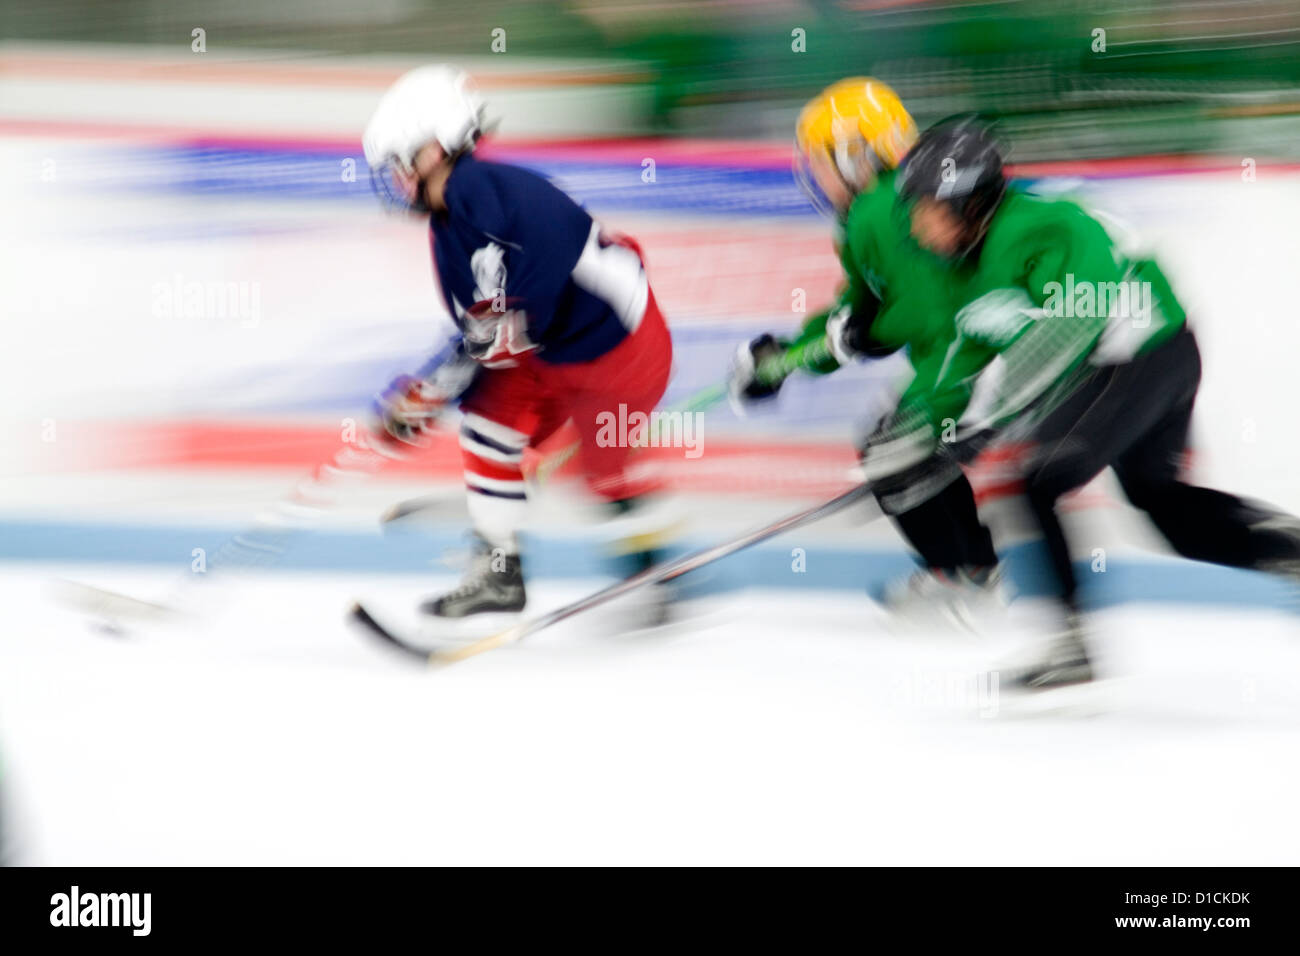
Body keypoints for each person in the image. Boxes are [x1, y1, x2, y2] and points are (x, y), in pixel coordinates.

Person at [881, 117, 1300, 688]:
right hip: (1136, 364)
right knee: (1166, 508)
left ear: (968, 202)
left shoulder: (1051, 224)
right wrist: (915, 433)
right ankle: (1291, 551)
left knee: (1036, 478)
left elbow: (1077, 323)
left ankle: (1071, 647)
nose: (915, 223)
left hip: (1145, 357)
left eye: (925, 207)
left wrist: (980, 425)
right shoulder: (968, 269)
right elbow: (961, 363)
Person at [362, 65, 674, 627]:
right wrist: (429, 392)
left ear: (437, 148)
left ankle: (652, 577)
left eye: (402, 162)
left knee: (603, 472)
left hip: (617, 349)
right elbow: (484, 334)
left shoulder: (480, 188)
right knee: (488, 424)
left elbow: (528, 300)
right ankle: (501, 570)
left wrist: (435, 389)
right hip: (555, 349)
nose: (397, 178)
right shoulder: (448, 225)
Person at [728, 78, 1004, 622]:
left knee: (895, 451)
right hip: (978, 356)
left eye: (821, 162)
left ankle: (963, 582)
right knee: (905, 449)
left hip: (972, 360)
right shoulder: (884, 207)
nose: (816, 176)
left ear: (855, 155)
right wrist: (788, 357)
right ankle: (973, 574)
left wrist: (861, 335)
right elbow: (861, 310)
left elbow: (914, 314)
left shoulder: (877, 211)